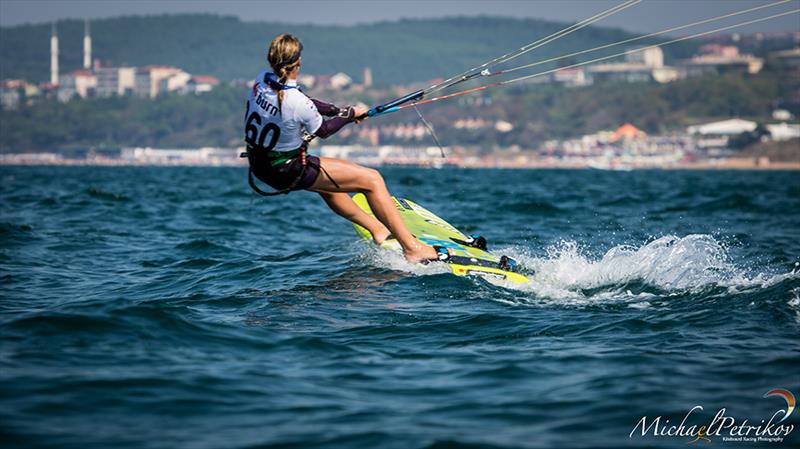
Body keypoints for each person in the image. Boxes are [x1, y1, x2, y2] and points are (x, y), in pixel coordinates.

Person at [244, 33, 443, 263]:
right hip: (287, 169)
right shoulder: (297, 103)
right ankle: (412, 248)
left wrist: (338, 110)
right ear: (298, 62)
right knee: (372, 180)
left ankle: (377, 229)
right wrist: (349, 115)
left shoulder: (262, 81)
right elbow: (324, 131)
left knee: (327, 185)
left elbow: (305, 101)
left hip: (260, 166)